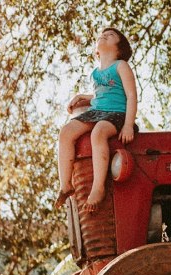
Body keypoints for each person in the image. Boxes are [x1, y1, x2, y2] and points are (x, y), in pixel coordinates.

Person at [56, 27, 138, 213]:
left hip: (116, 114)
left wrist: (127, 125)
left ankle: (98, 187)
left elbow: (131, 95)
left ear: (119, 49)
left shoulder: (121, 66)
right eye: (102, 35)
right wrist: (83, 97)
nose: (104, 36)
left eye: (110, 36)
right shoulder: (95, 73)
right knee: (66, 132)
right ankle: (65, 184)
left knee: (98, 132)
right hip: (97, 111)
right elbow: (101, 96)